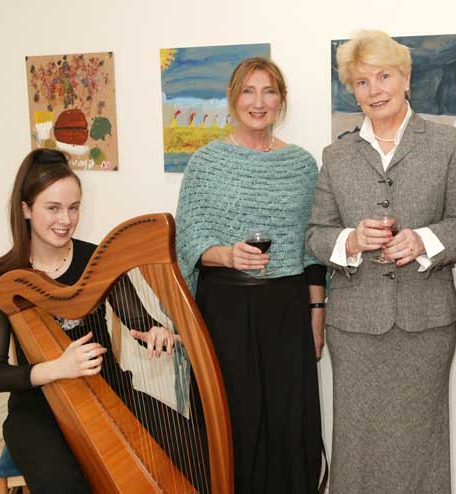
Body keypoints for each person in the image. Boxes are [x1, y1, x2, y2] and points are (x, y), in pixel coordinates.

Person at [305, 30, 456, 494]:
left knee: (421, 443)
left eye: (384, 76)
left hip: (425, 325)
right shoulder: (336, 155)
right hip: (355, 327)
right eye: (362, 82)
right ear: (353, 91)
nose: (375, 89)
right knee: (356, 442)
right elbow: (315, 236)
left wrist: (424, 241)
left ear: (406, 78)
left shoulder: (448, 145)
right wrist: (351, 240)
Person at [0, 149, 190, 494]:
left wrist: (156, 332)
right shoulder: (4, 280)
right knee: (66, 485)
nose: (66, 219)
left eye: (74, 207)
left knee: (189, 444)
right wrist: (57, 368)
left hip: (110, 392)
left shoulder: (96, 261)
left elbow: (139, 321)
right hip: (37, 411)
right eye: (53, 208)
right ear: (26, 209)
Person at [175, 57, 325, 494]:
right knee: (233, 419)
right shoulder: (205, 163)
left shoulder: (302, 165)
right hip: (225, 309)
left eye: (269, 91)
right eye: (248, 91)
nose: (258, 102)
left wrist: (317, 313)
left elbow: (312, 243)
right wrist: (226, 254)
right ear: (232, 98)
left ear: (281, 101)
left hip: (287, 307)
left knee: (287, 418)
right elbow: (190, 243)